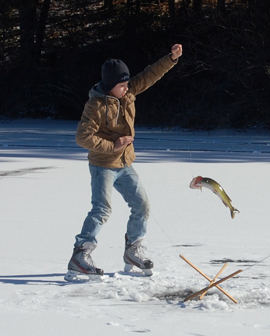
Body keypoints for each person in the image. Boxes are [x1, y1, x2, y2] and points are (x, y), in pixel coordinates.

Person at [65, 44, 183, 281]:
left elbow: (149, 75)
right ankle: (80, 255)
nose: (127, 88)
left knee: (142, 205)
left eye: (127, 84)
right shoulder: (95, 105)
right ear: (110, 87)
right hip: (103, 165)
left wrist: (171, 58)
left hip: (125, 165)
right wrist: (113, 146)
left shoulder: (128, 94)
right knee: (102, 209)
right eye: (122, 85)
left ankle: (133, 251)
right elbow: (82, 137)